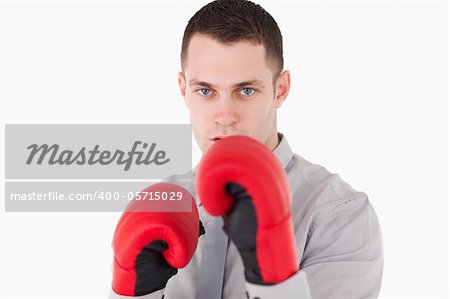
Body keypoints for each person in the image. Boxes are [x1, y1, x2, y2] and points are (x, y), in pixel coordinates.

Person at [110, 0, 384, 298]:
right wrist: (135, 293)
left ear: (280, 89)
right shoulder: (161, 203)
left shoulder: (338, 214)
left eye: (246, 90)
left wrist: (275, 276)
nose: (225, 115)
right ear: (183, 89)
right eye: (205, 90)